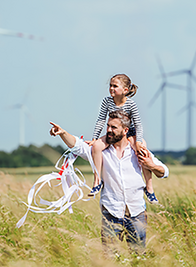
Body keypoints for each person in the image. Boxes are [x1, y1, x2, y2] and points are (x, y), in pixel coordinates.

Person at [49, 110, 169, 254]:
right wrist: (62, 133)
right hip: (111, 213)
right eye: (108, 126)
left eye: (113, 127)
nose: (109, 130)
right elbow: (78, 146)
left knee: (139, 257)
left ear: (125, 130)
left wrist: (152, 166)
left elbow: (164, 172)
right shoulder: (99, 152)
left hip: (137, 213)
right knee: (109, 258)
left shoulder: (137, 150)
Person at [87, 74, 159, 205]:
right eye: (110, 86)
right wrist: (94, 138)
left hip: (129, 133)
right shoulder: (106, 101)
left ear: (125, 90)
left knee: (142, 149)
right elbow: (101, 120)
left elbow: (138, 124)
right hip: (113, 132)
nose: (111, 88)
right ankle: (97, 180)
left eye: (115, 86)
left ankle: (149, 187)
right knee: (96, 146)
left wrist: (138, 141)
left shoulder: (131, 104)